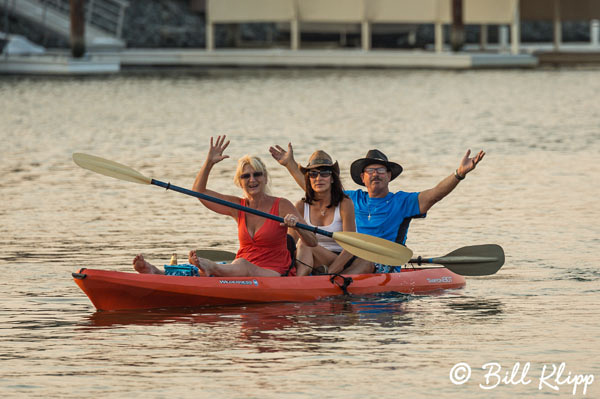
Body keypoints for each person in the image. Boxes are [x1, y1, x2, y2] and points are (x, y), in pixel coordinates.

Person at [270, 143, 485, 274]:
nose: (375, 174)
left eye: (381, 170)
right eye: (370, 170)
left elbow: (434, 194)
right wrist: (290, 164)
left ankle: (329, 279)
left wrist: (459, 174)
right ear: (362, 178)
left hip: (381, 261)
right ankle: (316, 277)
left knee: (367, 260)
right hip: (344, 258)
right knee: (305, 246)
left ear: (389, 175)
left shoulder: (402, 201)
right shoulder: (351, 198)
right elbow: (317, 187)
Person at [133, 135, 317, 277]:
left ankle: (210, 267)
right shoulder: (238, 206)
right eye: (246, 176)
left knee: (241, 266)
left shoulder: (282, 205)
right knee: (230, 266)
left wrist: (296, 227)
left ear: (265, 177)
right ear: (240, 181)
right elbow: (198, 192)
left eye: (257, 174)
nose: (252, 180)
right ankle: (158, 273)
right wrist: (209, 163)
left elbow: (312, 241)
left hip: (273, 272)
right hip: (239, 269)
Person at [270, 148, 356, 276]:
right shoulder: (300, 206)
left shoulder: (345, 204)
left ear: (332, 178)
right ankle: (299, 278)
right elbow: (290, 243)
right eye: (313, 174)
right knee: (303, 244)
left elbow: (351, 247)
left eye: (325, 173)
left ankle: (298, 283)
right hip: (307, 259)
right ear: (308, 179)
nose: (318, 178)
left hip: (338, 259)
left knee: (305, 244)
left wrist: (331, 272)